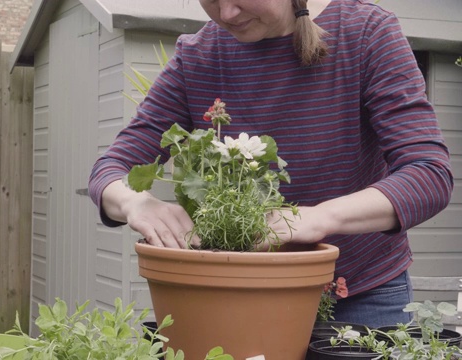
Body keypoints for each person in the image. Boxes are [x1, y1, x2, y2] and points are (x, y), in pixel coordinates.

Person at [88, 0, 453, 328]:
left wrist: (313, 219)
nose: (226, 13)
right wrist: (136, 202)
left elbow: (427, 174)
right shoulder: (198, 55)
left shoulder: (366, 33)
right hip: (239, 293)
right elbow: (111, 169)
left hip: (360, 298)